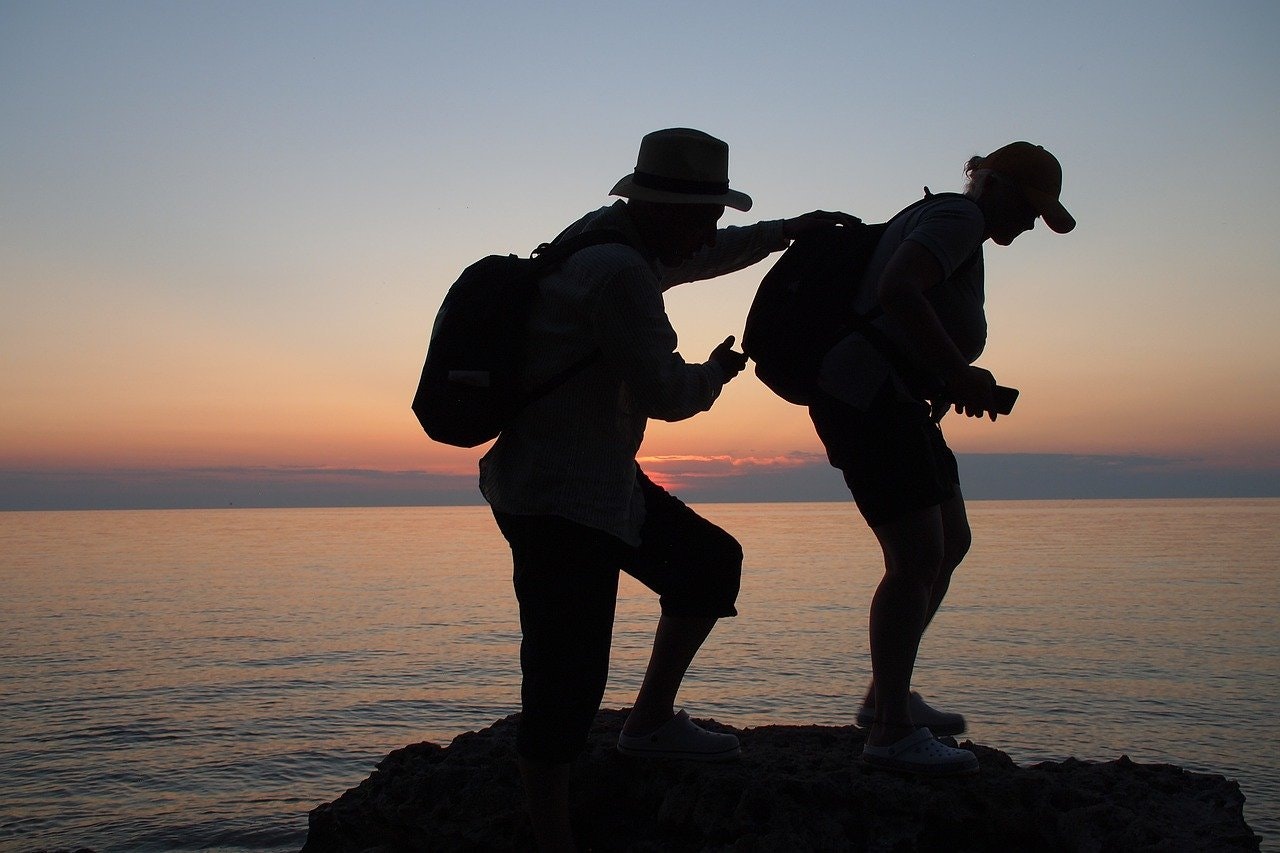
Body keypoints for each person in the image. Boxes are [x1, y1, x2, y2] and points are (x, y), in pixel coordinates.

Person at [479, 127, 854, 850]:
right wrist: (717, 372)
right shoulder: (619, 273)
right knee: (565, 675)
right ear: (663, 208)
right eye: (705, 214)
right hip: (559, 498)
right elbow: (667, 393)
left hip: (596, 482)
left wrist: (786, 232)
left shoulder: (610, 236)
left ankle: (648, 723)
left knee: (707, 564)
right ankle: (553, 836)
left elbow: (707, 252)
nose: (711, 230)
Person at [809, 142, 1076, 775]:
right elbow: (898, 289)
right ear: (996, 185)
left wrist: (950, 376)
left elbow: (906, 308)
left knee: (950, 541)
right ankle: (891, 734)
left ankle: (886, 698)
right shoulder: (961, 218)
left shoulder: (950, 221)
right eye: (1030, 209)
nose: (1030, 225)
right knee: (915, 558)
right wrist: (958, 373)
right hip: (870, 399)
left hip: (897, 399)